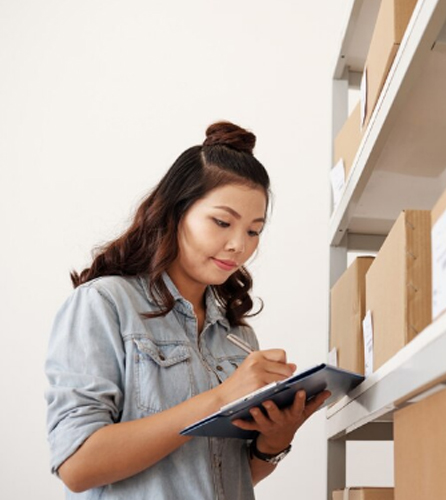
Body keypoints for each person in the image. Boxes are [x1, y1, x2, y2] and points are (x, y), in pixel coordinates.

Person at [45, 121, 330, 499]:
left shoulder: (237, 335)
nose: (237, 246)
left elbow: (223, 475)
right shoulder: (104, 304)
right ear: (176, 212)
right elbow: (77, 466)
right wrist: (219, 398)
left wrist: (274, 441)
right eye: (222, 222)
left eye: (253, 230)